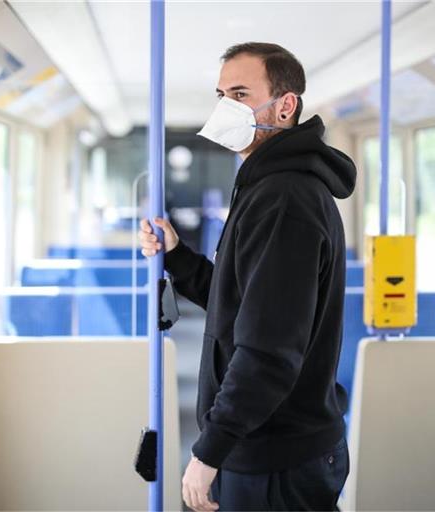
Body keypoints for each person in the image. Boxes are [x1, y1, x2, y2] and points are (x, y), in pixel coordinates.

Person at [139, 42, 356, 511]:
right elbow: (239, 304)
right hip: (277, 443)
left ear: (285, 106)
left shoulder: (284, 199)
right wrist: (177, 257)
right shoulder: (266, 185)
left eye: (240, 93)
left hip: (275, 453)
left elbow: (269, 351)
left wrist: (209, 450)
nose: (225, 107)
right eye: (221, 94)